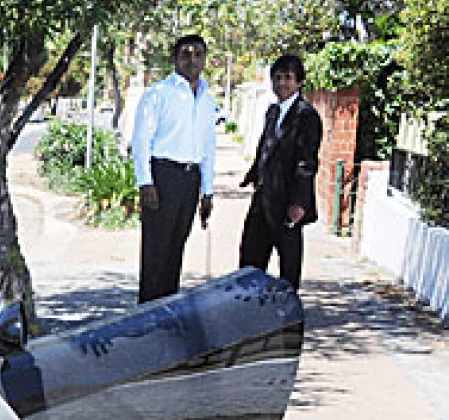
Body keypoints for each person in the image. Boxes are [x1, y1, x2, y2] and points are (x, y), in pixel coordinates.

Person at [131, 34, 220, 303]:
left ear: (205, 59)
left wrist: (207, 191)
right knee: (156, 251)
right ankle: (146, 315)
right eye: (185, 54)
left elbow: (208, 147)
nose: (191, 60)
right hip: (163, 177)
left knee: (176, 247)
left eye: (197, 54)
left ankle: (166, 311)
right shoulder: (159, 94)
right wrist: (145, 182)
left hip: (190, 180)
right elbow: (141, 140)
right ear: (175, 58)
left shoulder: (207, 99)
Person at [238, 54, 323, 291]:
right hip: (263, 200)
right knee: (249, 263)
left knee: (289, 269)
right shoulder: (272, 112)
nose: (282, 83)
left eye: (288, 78)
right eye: (277, 78)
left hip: (288, 205)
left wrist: (299, 203)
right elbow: (265, 147)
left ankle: (288, 320)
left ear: (299, 82)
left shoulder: (307, 116)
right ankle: (250, 315)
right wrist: (254, 175)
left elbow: (307, 162)